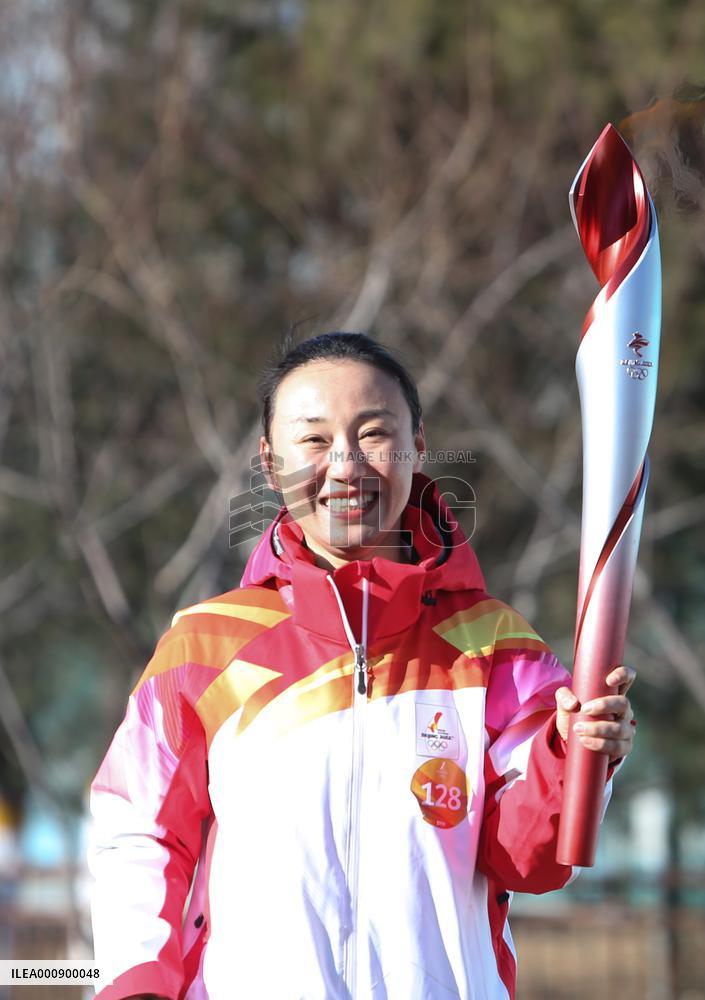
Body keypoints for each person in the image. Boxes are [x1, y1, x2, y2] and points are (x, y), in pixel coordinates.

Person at [88, 331, 636, 1000]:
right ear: (269, 462)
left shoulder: (497, 649)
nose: (346, 465)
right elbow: (138, 835)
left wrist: (573, 757)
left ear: (417, 446)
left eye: (374, 434)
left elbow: (530, 862)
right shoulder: (207, 646)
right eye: (314, 440)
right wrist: (138, 988)